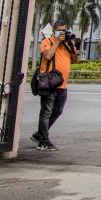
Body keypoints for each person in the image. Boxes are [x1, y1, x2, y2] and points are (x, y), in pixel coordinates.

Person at [33, 20, 77, 151]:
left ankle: (39, 135)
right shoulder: (48, 41)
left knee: (57, 111)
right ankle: (43, 141)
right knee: (46, 112)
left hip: (62, 84)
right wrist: (57, 41)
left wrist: (72, 46)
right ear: (54, 30)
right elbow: (47, 56)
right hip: (49, 83)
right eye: (60, 30)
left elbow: (75, 60)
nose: (62, 33)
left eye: (64, 30)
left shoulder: (66, 45)